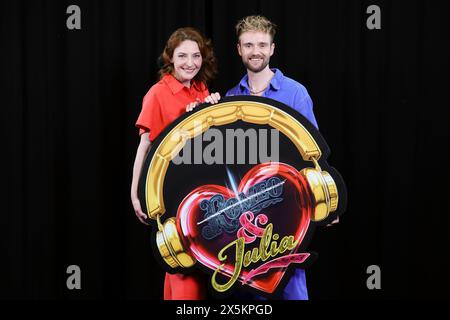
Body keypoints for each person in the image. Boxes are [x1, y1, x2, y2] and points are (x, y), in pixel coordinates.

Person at [199, 15, 327, 300]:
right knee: (253, 287)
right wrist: (207, 112)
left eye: (261, 44)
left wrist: (328, 198)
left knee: (291, 281)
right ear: (239, 50)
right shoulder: (231, 98)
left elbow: (314, 152)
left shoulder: (295, 92)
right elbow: (224, 160)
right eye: (248, 45)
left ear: (272, 49)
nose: (255, 51)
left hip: (291, 206)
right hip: (250, 211)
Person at [130, 27, 218, 300]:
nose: (190, 62)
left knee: (196, 269)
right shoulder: (157, 93)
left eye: (196, 55)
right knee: (183, 267)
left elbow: (211, 143)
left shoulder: (202, 89)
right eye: (182, 56)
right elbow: (144, 146)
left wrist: (215, 108)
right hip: (171, 194)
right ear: (170, 58)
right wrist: (135, 193)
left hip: (200, 194)